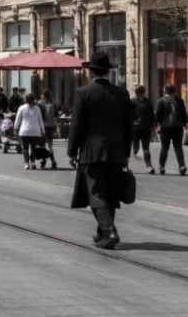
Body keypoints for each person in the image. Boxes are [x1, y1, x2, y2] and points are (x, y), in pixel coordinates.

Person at [68, 51, 134, 250]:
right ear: (108, 72)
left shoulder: (83, 93)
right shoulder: (122, 94)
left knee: (96, 193)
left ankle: (110, 231)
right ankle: (101, 232)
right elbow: (128, 126)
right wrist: (126, 152)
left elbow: (77, 125)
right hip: (116, 151)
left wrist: (72, 151)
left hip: (92, 151)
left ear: (90, 72)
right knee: (110, 193)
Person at [155, 83, 187, 175]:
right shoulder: (177, 101)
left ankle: (177, 166)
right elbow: (183, 114)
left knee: (171, 147)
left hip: (171, 127)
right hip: (172, 127)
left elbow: (158, 115)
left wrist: (156, 125)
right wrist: (185, 125)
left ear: (165, 90)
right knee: (172, 148)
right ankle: (176, 166)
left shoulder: (163, 101)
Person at [15, 93, 45, 170]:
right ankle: (33, 163)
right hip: (35, 131)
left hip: (24, 131)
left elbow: (18, 119)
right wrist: (42, 131)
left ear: (25, 100)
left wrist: (15, 128)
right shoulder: (37, 109)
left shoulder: (21, 108)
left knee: (25, 148)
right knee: (33, 148)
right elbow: (40, 120)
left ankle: (26, 163)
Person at [131, 85, 156, 174]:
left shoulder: (132, 102)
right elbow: (152, 116)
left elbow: (129, 116)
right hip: (144, 128)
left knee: (138, 150)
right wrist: (153, 127)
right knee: (145, 148)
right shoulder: (147, 102)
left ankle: (147, 163)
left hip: (136, 128)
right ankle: (148, 165)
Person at [37, 90, 59, 169]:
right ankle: (53, 161)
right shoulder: (53, 103)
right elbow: (56, 115)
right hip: (52, 126)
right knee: (50, 145)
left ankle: (43, 160)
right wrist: (57, 127)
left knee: (42, 145)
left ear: (43, 95)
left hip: (43, 126)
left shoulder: (40, 103)